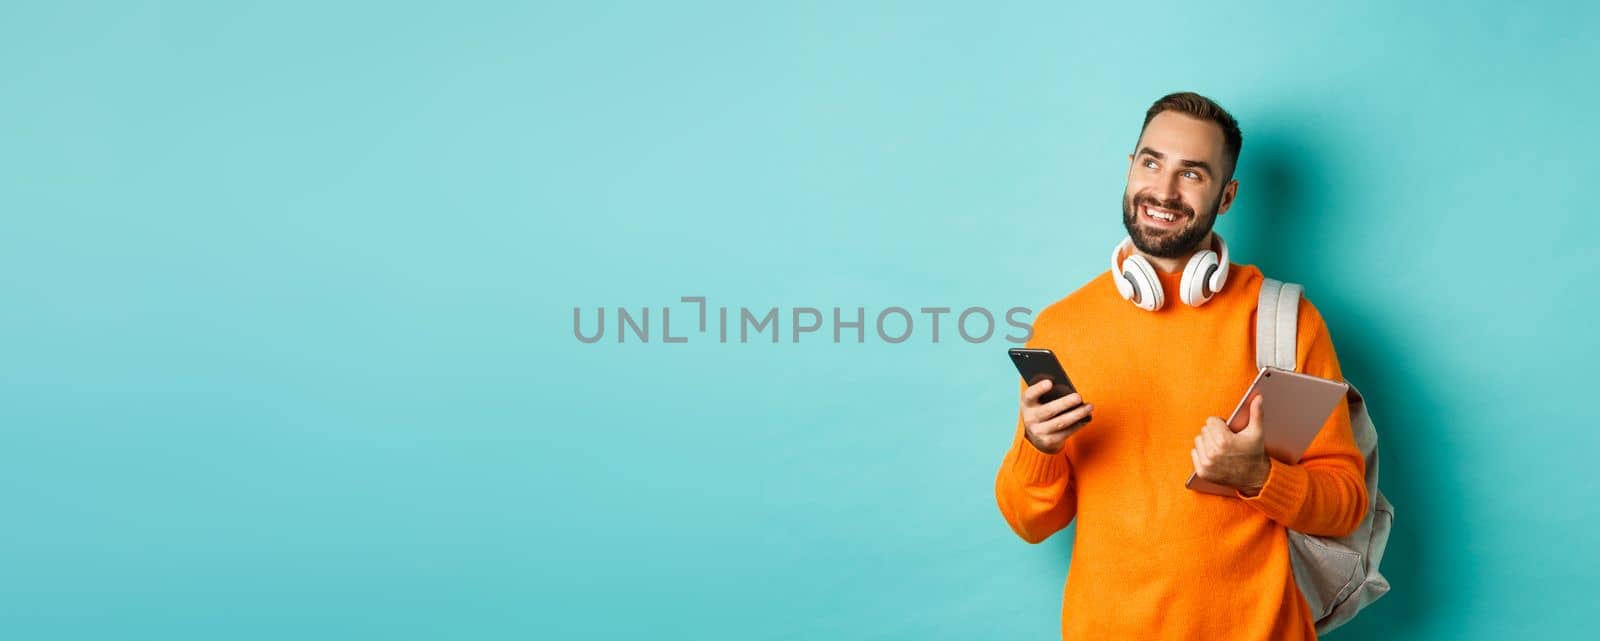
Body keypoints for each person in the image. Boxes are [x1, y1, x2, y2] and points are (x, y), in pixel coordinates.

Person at [993, 92, 1368, 640]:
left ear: (1227, 195)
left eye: (1192, 174)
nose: (1163, 192)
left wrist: (1259, 477)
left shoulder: (1285, 320)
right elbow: (1030, 523)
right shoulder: (1062, 328)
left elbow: (1347, 506)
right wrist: (1039, 446)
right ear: (1129, 168)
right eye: (1151, 163)